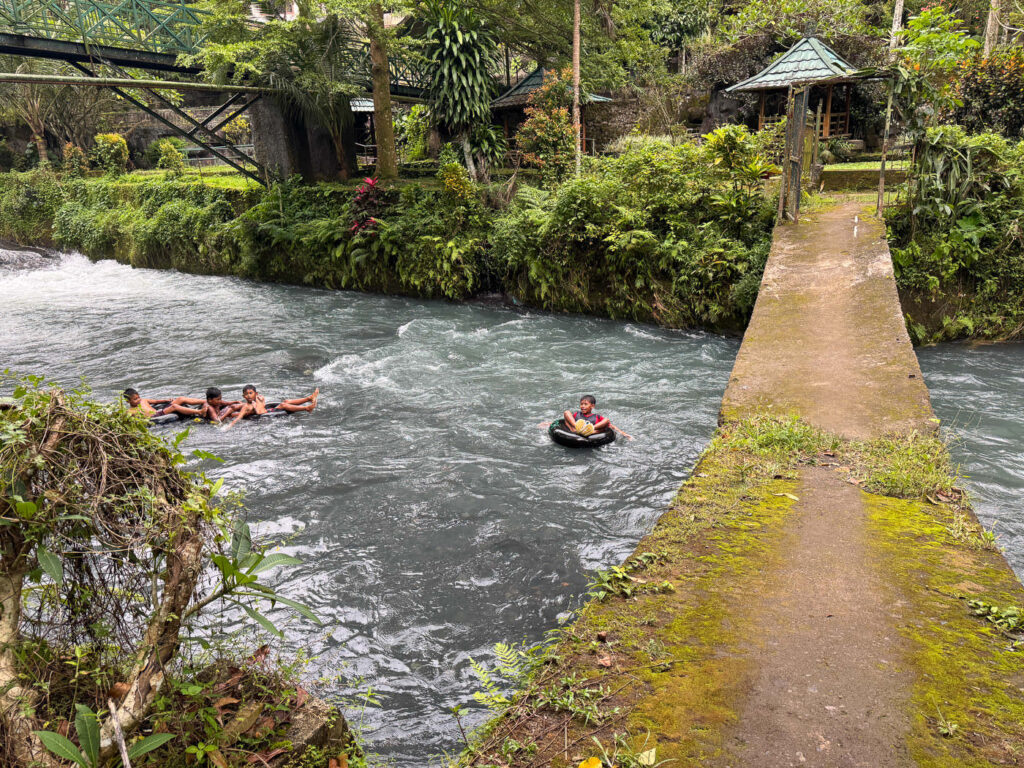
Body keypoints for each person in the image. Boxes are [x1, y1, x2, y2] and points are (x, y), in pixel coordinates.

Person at [222, 385, 319, 430]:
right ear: (243, 396)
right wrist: (229, 425)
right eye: (246, 394)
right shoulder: (246, 406)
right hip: (264, 415)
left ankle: (309, 398)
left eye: (251, 393)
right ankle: (307, 408)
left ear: (256, 393)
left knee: (286, 401)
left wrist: (260, 403)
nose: (248, 395)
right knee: (283, 405)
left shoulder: (259, 398)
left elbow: (263, 407)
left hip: (268, 411)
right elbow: (239, 417)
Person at [548, 395, 634, 440]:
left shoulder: (596, 417)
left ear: (592, 406)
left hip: (591, 432)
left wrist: (624, 433)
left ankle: (588, 428)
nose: (582, 406)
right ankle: (577, 427)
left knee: (606, 420)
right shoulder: (577, 414)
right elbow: (564, 421)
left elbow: (611, 426)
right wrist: (550, 424)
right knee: (566, 412)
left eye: (585, 404)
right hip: (574, 430)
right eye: (581, 404)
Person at [124, 388, 204, 420]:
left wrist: (166, 400)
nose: (138, 400)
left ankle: (204, 401)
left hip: (160, 410)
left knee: (180, 399)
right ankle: (199, 412)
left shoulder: (143, 400)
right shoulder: (130, 411)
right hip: (156, 416)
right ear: (128, 401)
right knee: (174, 406)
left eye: (138, 397)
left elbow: (155, 401)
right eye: (135, 399)